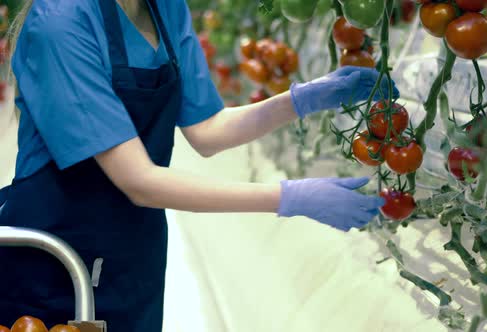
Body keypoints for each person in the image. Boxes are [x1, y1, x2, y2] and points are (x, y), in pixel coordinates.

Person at [0, 0, 399, 331]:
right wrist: (288, 197)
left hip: (135, 252)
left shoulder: (165, 8)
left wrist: (302, 100)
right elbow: (137, 179)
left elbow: (207, 129)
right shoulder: (60, 23)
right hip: (57, 259)